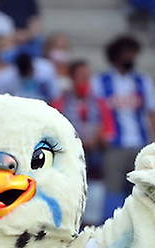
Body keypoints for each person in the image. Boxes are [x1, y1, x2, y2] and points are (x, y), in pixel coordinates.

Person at [92, 35, 155, 196]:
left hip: (139, 145)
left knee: (141, 194)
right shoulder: (100, 82)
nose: (130, 57)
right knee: (113, 191)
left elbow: (153, 113)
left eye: (133, 53)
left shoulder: (143, 81)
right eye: (126, 53)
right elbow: (96, 114)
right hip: (114, 146)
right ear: (116, 55)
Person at [53, 60, 114, 225]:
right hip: (69, 168)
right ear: (72, 79)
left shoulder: (100, 105)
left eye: (87, 77)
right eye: (80, 77)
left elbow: (109, 135)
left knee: (92, 215)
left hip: (94, 166)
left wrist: (100, 138)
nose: (84, 82)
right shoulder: (60, 104)